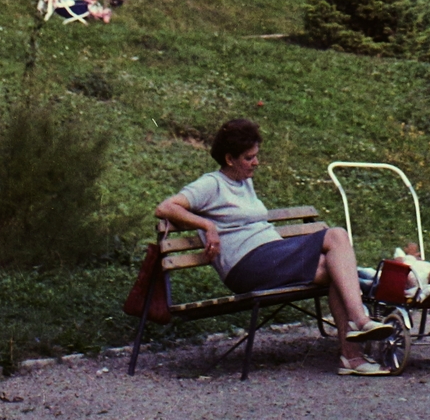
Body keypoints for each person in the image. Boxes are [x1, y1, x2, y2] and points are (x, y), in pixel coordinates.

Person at [155, 118, 395, 376]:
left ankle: (352, 357)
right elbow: (165, 207)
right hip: (246, 265)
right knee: (336, 235)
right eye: (249, 158)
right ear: (229, 158)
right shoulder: (211, 184)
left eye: (256, 156)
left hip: (270, 256)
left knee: (333, 269)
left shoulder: (244, 180)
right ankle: (361, 321)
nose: (256, 162)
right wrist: (207, 226)